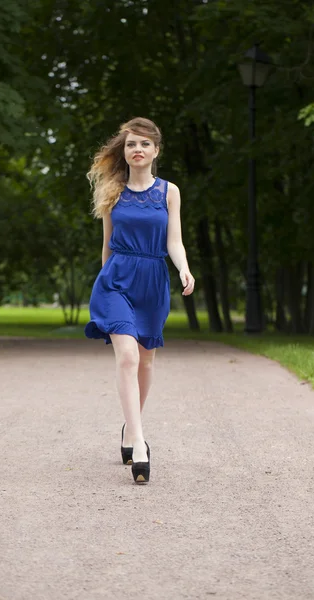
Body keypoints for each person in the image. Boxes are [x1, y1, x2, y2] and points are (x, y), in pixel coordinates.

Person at [84, 117, 195, 484]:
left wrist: (183, 268)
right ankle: (141, 442)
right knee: (128, 357)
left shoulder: (169, 192)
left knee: (146, 360)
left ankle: (129, 429)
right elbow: (106, 245)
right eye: (131, 144)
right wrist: (103, 282)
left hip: (152, 282)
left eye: (144, 144)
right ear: (125, 150)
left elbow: (173, 241)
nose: (137, 149)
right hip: (116, 281)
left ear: (155, 151)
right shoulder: (112, 192)